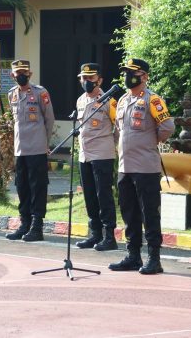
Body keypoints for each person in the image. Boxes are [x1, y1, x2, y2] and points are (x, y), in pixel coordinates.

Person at [108, 58, 174, 275]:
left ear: (144, 76)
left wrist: (149, 142)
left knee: (149, 214)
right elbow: (119, 130)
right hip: (125, 167)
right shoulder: (124, 100)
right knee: (129, 213)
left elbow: (167, 127)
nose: (128, 76)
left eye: (132, 72)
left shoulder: (152, 100)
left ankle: (154, 258)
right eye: (126, 72)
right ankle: (133, 255)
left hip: (146, 166)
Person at [4, 59, 55, 242]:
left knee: (37, 188)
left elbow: (49, 120)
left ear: (30, 74)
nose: (21, 75)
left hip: (37, 149)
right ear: (12, 75)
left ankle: (36, 226)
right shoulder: (12, 95)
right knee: (22, 187)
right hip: (20, 150)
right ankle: (24, 223)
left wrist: (44, 143)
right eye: (18, 73)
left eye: (24, 72)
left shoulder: (41, 93)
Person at [74, 63, 118, 251]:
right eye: (83, 78)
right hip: (85, 155)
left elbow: (120, 128)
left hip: (102, 154)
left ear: (99, 80)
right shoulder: (81, 100)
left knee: (104, 196)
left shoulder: (109, 101)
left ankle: (109, 237)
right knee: (90, 196)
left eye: (90, 78)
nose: (86, 81)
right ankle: (95, 234)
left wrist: (111, 146)